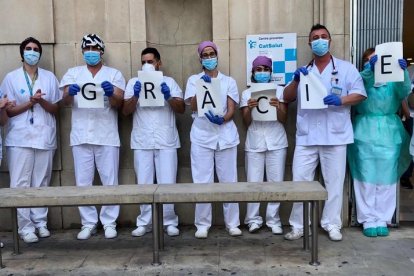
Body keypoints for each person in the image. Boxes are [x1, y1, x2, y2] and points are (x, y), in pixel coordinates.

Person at [283, 24, 366, 241]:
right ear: (309, 43)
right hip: (307, 136)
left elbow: (360, 94)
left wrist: (341, 99)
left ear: (330, 41)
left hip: (335, 135)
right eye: (315, 38)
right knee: (299, 181)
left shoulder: (346, 68)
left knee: (334, 182)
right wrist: (295, 80)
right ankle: (299, 225)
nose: (319, 40)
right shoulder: (304, 71)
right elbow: (286, 96)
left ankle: (331, 224)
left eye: (323, 37)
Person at [60, 34, 125, 240]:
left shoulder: (114, 74)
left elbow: (119, 104)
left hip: (106, 135)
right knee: (83, 182)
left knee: (110, 181)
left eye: (94, 49)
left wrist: (111, 94)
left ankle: (109, 222)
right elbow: (65, 102)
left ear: (101, 51)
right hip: (81, 135)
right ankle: (88, 223)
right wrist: (69, 92)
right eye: (86, 49)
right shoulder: (73, 73)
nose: (90, 52)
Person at [0, 37, 61, 243]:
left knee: (41, 182)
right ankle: (25, 227)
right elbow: (8, 111)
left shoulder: (50, 77)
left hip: (44, 135)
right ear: (22, 53)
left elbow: (56, 108)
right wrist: (30, 102)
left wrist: (41, 100)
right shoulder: (11, 78)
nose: (32, 52)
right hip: (20, 137)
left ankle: (40, 223)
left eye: (36, 49)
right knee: (20, 184)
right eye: (28, 49)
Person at [348, 48, 411, 237]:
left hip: (389, 132)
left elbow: (404, 91)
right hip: (363, 131)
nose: (372, 62)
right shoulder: (361, 78)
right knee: (364, 177)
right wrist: (370, 70)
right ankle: (367, 219)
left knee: (387, 178)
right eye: (368, 59)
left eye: (375, 59)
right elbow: (358, 86)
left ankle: (382, 218)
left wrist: (403, 74)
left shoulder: (392, 83)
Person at [122, 47, 185, 237]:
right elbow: (125, 111)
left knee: (168, 183)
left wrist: (168, 96)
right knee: (144, 183)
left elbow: (181, 108)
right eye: (143, 62)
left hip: (166, 140)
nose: (147, 65)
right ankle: (145, 222)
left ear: (159, 63)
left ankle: (169, 221)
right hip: (142, 140)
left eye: (150, 61)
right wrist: (134, 96)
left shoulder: (169, 82)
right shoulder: (134, 82)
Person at [184, 41, 242, 239]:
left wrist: (222, 119)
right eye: (205, 55)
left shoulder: (229, 81)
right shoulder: (194, 80)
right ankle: (202, 224)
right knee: (202, 181)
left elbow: (232, 109)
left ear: (217, 55)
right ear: (200, 58)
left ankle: (232, 223)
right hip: (201, 136)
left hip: (225, 135)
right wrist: (201, 88)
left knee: (229, 181)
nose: (209, 58)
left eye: (212, 54)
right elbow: (192, 106)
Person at [240, 56, 288, 234]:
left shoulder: (280, 91)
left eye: (265, 69)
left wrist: (278, 106)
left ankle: (273, 220)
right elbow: (245, 122)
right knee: (254, 182)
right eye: (258, 70)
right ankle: (253, 219)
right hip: (254, 142)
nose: (262, 73)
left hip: (276, 141)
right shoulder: (246, 93)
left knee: (276, 183)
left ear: (271, 72)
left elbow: (284, 119)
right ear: (253, 73)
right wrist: (250, 108)